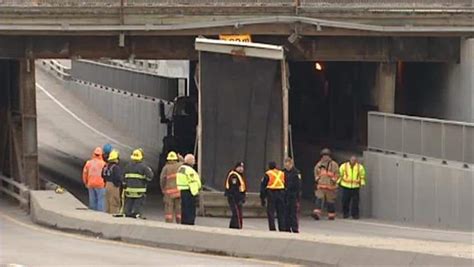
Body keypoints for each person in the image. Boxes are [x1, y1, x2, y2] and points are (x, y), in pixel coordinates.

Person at [123, 148, 154, 219]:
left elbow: (123, 177)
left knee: (129, 203)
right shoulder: (144, 167)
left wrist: (125, 185)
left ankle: (127, 214)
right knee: (138, 204)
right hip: (139, 191)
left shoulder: (127, 166)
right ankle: (137, 215)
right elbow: (150, 176)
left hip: (129, 190)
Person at [313, 148, 339, 220]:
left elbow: (337, 174)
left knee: (330, 202)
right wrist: (318, 180)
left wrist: (334, 180)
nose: (325, 157)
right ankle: (317, 213)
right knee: (319, 199)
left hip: (330, 187)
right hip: (321, 186)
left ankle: (331, 215)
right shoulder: (318, 165)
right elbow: (316, 174)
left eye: (327, 156)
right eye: (324, 156)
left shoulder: (334, 165)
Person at [260, 161, 287, 231]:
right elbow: (285, 183)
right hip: (281, 193)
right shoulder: (281, 173)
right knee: (281, 212)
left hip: (271, 193)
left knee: (271, 212)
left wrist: (262, 198)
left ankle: (272, 228)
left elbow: (263, 186)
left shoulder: (268, 174)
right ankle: (282, 227)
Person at [177, 154, 202, 225]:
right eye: (193, 160)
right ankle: (189, 222)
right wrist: (195, 191)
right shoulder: (189, 170)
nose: (194, 162)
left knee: (184, 208)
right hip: (189, 191)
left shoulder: (181, 168)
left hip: (183, 190)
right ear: (190, 161)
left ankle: (184, 221)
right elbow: (193, 181)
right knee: (190, 208)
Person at [160, 151, 183, 223]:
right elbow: (187, 164)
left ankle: (169, 222)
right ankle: (179, 221)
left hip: (169, 193)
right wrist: (181, 159)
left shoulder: (166, 168)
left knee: (169, 208)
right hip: (179, 192)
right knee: (179, 208)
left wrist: (163, 189)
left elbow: (162, 180)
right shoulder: (180, 166)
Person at [82, 147, 107, 212]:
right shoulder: (103, 164)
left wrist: (85, 182)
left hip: (90, 184)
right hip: (100, 184)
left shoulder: (89, 163)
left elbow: (85, 173)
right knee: (100, 200)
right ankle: (100, 214)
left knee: (92, 200)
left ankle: (92, 214)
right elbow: (106, 175)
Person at [225, 162, 247, 229]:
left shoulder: (239, 175)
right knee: (236, 213)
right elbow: (234, 188)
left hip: (238, 197)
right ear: (236, 167)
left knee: (237, 213)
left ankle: (233, 226)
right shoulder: (234, 176)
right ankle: (237, 227)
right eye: (239, 167)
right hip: (234, 197)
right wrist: (239, 198)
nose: (241, 169)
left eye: (242, 167)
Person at [102, 149, 123, 214]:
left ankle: (107, 216)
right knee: (114, 202)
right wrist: (118, 184)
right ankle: (113, 216)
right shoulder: (116, 167)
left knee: (107, 202)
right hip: (113, 186)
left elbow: (102, 175)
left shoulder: (106, 166)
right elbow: (118, 177)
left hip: (106, 185)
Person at [283, 157, 301, 233]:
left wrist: (298, 197)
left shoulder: (296, 173)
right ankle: (286, 227)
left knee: (293, 213)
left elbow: (299, 185)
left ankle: (294, 228)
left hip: (293, 195)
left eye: (288, 164)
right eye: (285, 164)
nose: (287, 166)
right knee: (285, 212)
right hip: (285, 195)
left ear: (291, 164)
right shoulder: (282, 172)